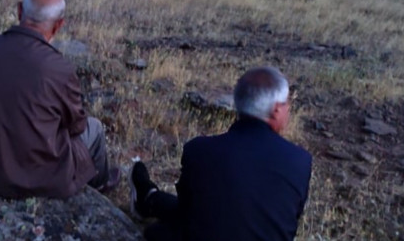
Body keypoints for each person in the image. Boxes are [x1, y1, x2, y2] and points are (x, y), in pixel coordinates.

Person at [0, 0, 120, 199]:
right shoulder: (59, 68)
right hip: (33, 183)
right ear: (59, 24)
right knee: (94, 128)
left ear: (20, 10)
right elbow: (77, 126)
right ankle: (99, 186)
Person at [129, 67, 312, 241]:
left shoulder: (199, 150)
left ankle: (148, 197)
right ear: (277, 110)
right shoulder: (300, 161)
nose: (289, 109)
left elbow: (188, 212)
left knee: (160, 230)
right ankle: (148, 197)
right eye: (288, 102)